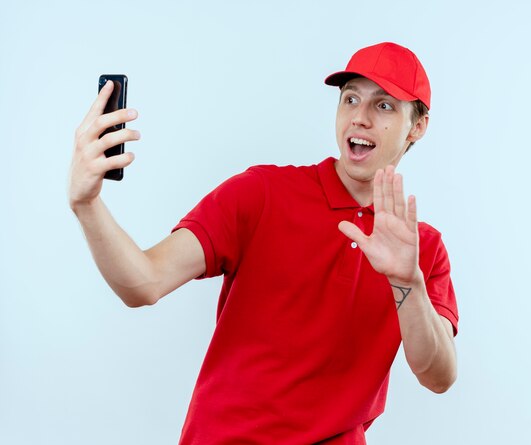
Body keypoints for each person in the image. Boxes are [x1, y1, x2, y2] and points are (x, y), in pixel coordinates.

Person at [69, 42, 459, 445]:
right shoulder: (260, 194)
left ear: (417, 126)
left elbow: (439, 376)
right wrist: (87, 204)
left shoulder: (422, 249)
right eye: (350, 99)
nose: (359, 118)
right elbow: (143, 282)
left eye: (383, 106)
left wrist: (406, 284)